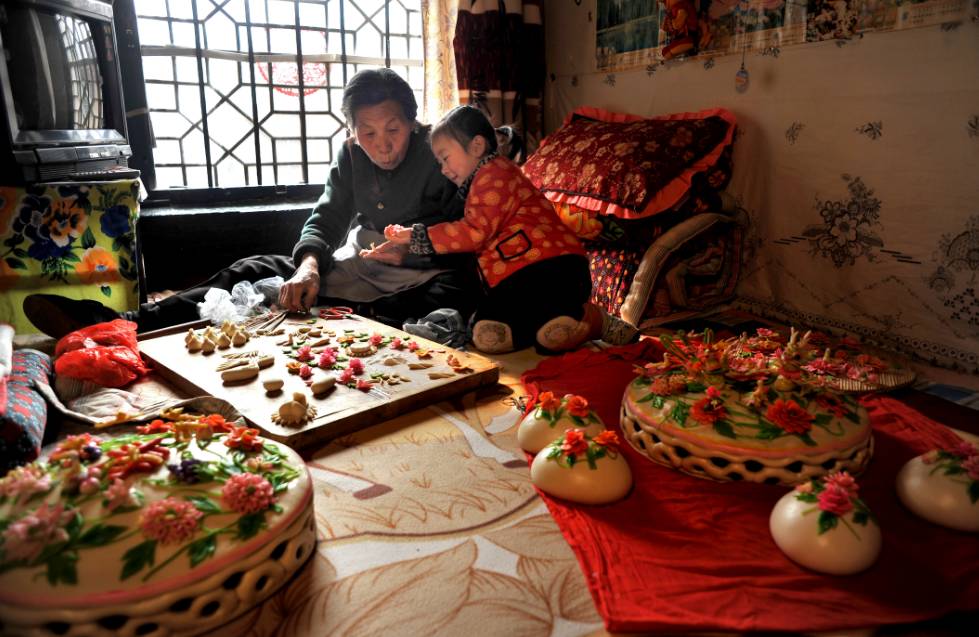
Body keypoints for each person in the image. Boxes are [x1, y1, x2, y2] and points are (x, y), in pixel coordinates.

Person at [24, 69, 482, 339]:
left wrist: (414, 247)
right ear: (353, 131)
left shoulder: (438, 153)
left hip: (426, 270)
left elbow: (471, 229)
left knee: (437, 309)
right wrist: (308, 267)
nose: (381, 145)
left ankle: (356, 321)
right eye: (368, 132)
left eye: (393, 129)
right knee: (256, 269)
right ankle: (125, 325)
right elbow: (327, 217)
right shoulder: (351, 155)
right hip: (364, 265)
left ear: (413, 121)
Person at [361, 105, 638, 354]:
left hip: (552, 269)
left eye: (445, 158)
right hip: (516, 277)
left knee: (530, 310)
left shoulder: (495, 174)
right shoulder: (476, 183)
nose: (443, 169)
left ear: (477, 146)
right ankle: (551, 329)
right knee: (486, 333)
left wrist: (415, 236)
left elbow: (474, 232)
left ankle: (593, 319)